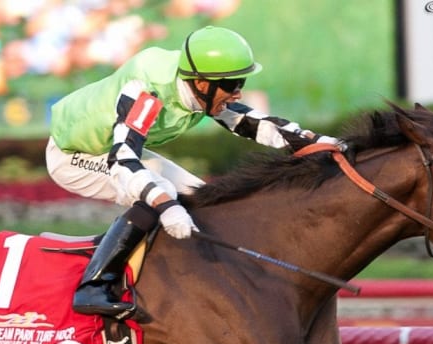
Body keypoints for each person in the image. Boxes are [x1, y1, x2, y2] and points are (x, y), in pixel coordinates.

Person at [46, 26, 339, 318]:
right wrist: (165, 204)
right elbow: (123, 161)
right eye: (232, 83)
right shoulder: (147, 93)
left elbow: (245, 120)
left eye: (242, 80)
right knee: (162, 195)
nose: (238, 91)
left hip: (111, 147)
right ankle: (94, 285)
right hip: (74, 155)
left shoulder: (199, 85)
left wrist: (312, 141)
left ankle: (182, 283)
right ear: (201, 84)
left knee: (200, 198)